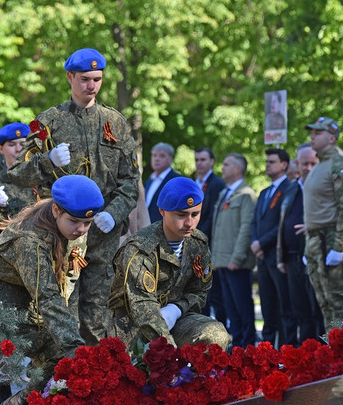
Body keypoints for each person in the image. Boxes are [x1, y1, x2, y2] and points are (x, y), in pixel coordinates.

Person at [7, 48, 140, 345]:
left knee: (97, 313)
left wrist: (114, 212)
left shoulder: (115, 123)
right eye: (84, 79)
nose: (91, 85)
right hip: (60, 237)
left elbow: (130, 180)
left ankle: (92, 378)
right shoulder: (50, 121)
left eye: (97, 79)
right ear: (70, 77)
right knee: (59, 310)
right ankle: (59, 381)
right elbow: (16, 173)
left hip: (101, 236)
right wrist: (47, 161)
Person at [0, 175, 104, 405]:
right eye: (75, 222)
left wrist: (71, 338)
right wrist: (75, 349)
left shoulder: (72, 224)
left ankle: (19, 402)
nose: (82, 229)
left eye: (88, 223)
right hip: (0, 302)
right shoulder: (30, 240)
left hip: (30, 296)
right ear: (56, 210)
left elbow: (66, 280)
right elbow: (47, 296)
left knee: (61, 348)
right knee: (62, 351)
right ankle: (17, 403)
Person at [108, 177, 231, 351]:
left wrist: (177, 309)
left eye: (195, 214)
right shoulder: (140, 249)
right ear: (162, 211)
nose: (189, 223)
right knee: (142, 369)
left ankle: (201, 378)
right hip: (133, 326)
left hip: (177, 320)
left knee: (215, 334)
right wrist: (171, 354)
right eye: (181, 215)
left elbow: (199, 291)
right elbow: (143, 307)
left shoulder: (198, 244)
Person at [302, 117, 343, 332]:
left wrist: (339, 247)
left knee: (338, 300)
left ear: (332, 137)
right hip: (316, 240)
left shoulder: (341, 164)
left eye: (318, 133)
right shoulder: (320, 165)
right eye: (312, 133)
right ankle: (334, 349)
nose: (312, 137)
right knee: (324, 302)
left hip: (331, 239)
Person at [277, 143, 326, 344]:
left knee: (318, 311)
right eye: (304, 163)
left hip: (318, 258)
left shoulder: (326, 189)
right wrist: (281, 257)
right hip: (293, 258)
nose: (307, 168)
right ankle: (306, 357)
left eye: (312, 163)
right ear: (296, 164)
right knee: (300, 311)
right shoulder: (291, 190)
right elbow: (282, 223)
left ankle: (323, 356)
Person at [211, 153, 258, 348]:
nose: (223, 167)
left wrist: (237, 257)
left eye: (227, 164)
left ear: (238, 168)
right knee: (230, 308)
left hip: (235, 262)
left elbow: (246, 227)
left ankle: (247, 345)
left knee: (242, 307)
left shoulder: (246, 194)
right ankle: (237, 345)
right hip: (222, 260)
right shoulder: (225, 193)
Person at [251, 148, 294, 347]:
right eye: (266, 161)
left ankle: (285, 352)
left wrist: (262, 242)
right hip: (262, 257)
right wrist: (254, 242)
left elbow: (282, 223)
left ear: (284, 165)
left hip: (277, 257)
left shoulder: (289, 188)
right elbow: (255, 222)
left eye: (272, 161)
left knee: (284, 307)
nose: (267, 164)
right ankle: (266, 354)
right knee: (267, 308)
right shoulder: (264, 192)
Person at [194, 147, 227, 325]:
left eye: (203, 159)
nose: (199, 163)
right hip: (194, 246)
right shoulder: (194, 183)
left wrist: (194, 234)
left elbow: (212, 219)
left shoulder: (217, 184)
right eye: (197, 159)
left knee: (215, 295)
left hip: (209, 245)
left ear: (212, 162)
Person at [0, 122, 35, 220]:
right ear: (1, 149)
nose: (18, 149)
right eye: (12, 145)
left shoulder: (41, 179)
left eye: (22, 144)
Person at [145, 142, 180, 223]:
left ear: (170, 159)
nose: (157, 159)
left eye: (162, 156)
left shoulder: (176, 180)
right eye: (154, 155)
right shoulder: (148, 182)